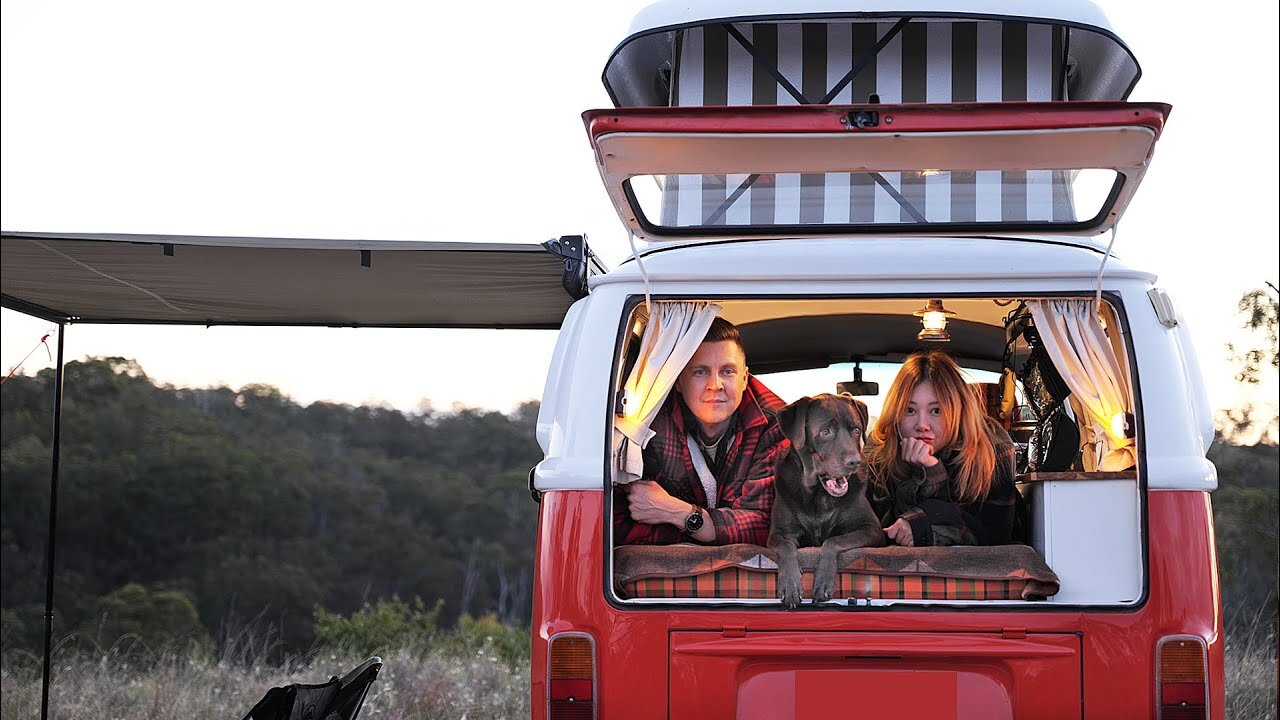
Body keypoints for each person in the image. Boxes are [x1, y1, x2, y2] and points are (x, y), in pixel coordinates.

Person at [614, 317, 787, 546]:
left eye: (727, 371)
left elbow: (769, 526)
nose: (715, 384)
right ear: (677, 381)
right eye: (700, 372)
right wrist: (714, 529)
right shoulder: (645, 425)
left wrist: (679, 514)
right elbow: (623, 521)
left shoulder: (777, 427)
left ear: (744, 378)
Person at [863, 349, 1022, 547]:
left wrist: (932, 474)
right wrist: (918, 476)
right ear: (896, 414)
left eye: (936, 411)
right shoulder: (879, 452)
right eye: (910, 410)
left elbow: (994, 536)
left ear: (958, 410)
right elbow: (880, 532)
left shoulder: (992, 449)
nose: (922, 424)